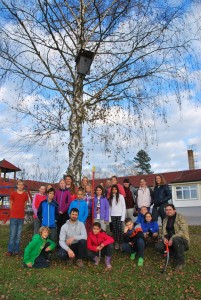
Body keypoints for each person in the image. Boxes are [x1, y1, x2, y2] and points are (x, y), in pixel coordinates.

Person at [155, 204, 189, 270]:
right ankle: (175, 252)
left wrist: (172, 238)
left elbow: (183, 230)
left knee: (176, 240)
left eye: (170, 209)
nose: (168, 211)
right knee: (158, 246)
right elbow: (163, 232)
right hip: (169, 240)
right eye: (166, 210)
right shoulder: (165, 220)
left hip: (181, 239)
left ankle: (180, 262)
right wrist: (164, 238)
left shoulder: (180, 217)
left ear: (174, 210)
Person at [6, 180, 28, 256]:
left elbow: (25, 204)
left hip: (21, 217)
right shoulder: (13, 193)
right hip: (13, 217)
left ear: (23, 186)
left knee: (18, 235)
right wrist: (13, 212)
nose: (21, 186)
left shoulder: (25, 195)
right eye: (19, 185)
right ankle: (10, 250)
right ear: (17, 185)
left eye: (22, 185)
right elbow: (11, 204)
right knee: (12, 234)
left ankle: (16, 250)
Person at [109, 184, 126, 250]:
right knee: (114, 230)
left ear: (117, 190)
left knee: (119, 230)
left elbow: (123, 207)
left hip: (119, 216)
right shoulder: (110, 197)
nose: (114, 190)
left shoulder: (121, 197)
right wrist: (110, 218)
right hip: (113, 216)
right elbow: (109, 208)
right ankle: (116, 242)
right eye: (113, 189)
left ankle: (121, 243)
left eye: (115, 189)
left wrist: (122, 217)